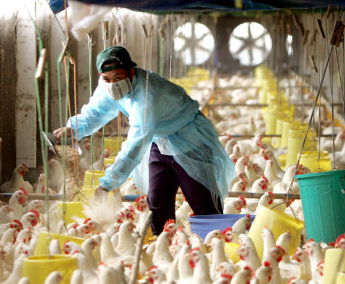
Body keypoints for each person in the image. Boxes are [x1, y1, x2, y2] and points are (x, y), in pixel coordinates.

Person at [54, 46, 236, 235]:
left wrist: (108, 183)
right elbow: (97, 111)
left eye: (118, 78)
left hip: (188, 140)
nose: (112, 84)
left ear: (132, 72)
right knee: (157, 201)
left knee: (201, 199)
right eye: (106, 79)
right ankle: (162, 242)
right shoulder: (107, 86)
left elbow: (135, 145)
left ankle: (215, 242)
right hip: (159, 140)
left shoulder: (146, 97)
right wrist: (75, 128)